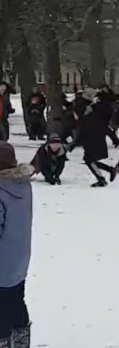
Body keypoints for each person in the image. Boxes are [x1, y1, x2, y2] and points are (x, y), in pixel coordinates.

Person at [0, 142, 33, 348]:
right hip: (18, 259)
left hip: (1, 264)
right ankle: (21, 343)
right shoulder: (22, 185)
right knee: (16, 303)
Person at [74, 94, 119, 187]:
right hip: (91, 142)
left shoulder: (92, 118)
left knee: (89, 160)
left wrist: (115, 139)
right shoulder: (87, 117)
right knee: (91, 160)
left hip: (95, 142)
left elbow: (104, 128)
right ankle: (107, 172)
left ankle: (103, 177)